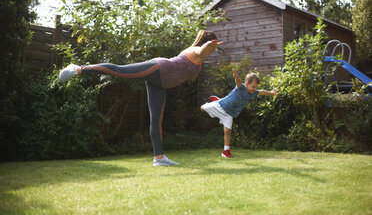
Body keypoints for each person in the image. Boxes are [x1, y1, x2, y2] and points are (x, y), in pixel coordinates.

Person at [59, 30, 224, 166]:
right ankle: (78, 69)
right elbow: (200, 50)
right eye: (213, 45)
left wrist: (209, 45)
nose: (213, 49)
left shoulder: (200, 57)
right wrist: (208, 45)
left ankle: (159, 158)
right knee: (119, 71)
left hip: (161, 83)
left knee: (155, 120)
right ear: (208, 43)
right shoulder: (197, 51)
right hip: (160, 69)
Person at [200, 69, 278, 158]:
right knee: (202, 108)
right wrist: (236, 77)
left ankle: (226, 151)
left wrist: (272, 93)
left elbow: (262, 92)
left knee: (228, 131)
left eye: (256, 87)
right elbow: (239, 82)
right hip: (221, 106)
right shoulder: (240, 87)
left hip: (230, 113)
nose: (255, 89)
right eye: (253, 87)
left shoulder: (253, 93)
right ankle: (217, 100)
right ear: (247, 84)